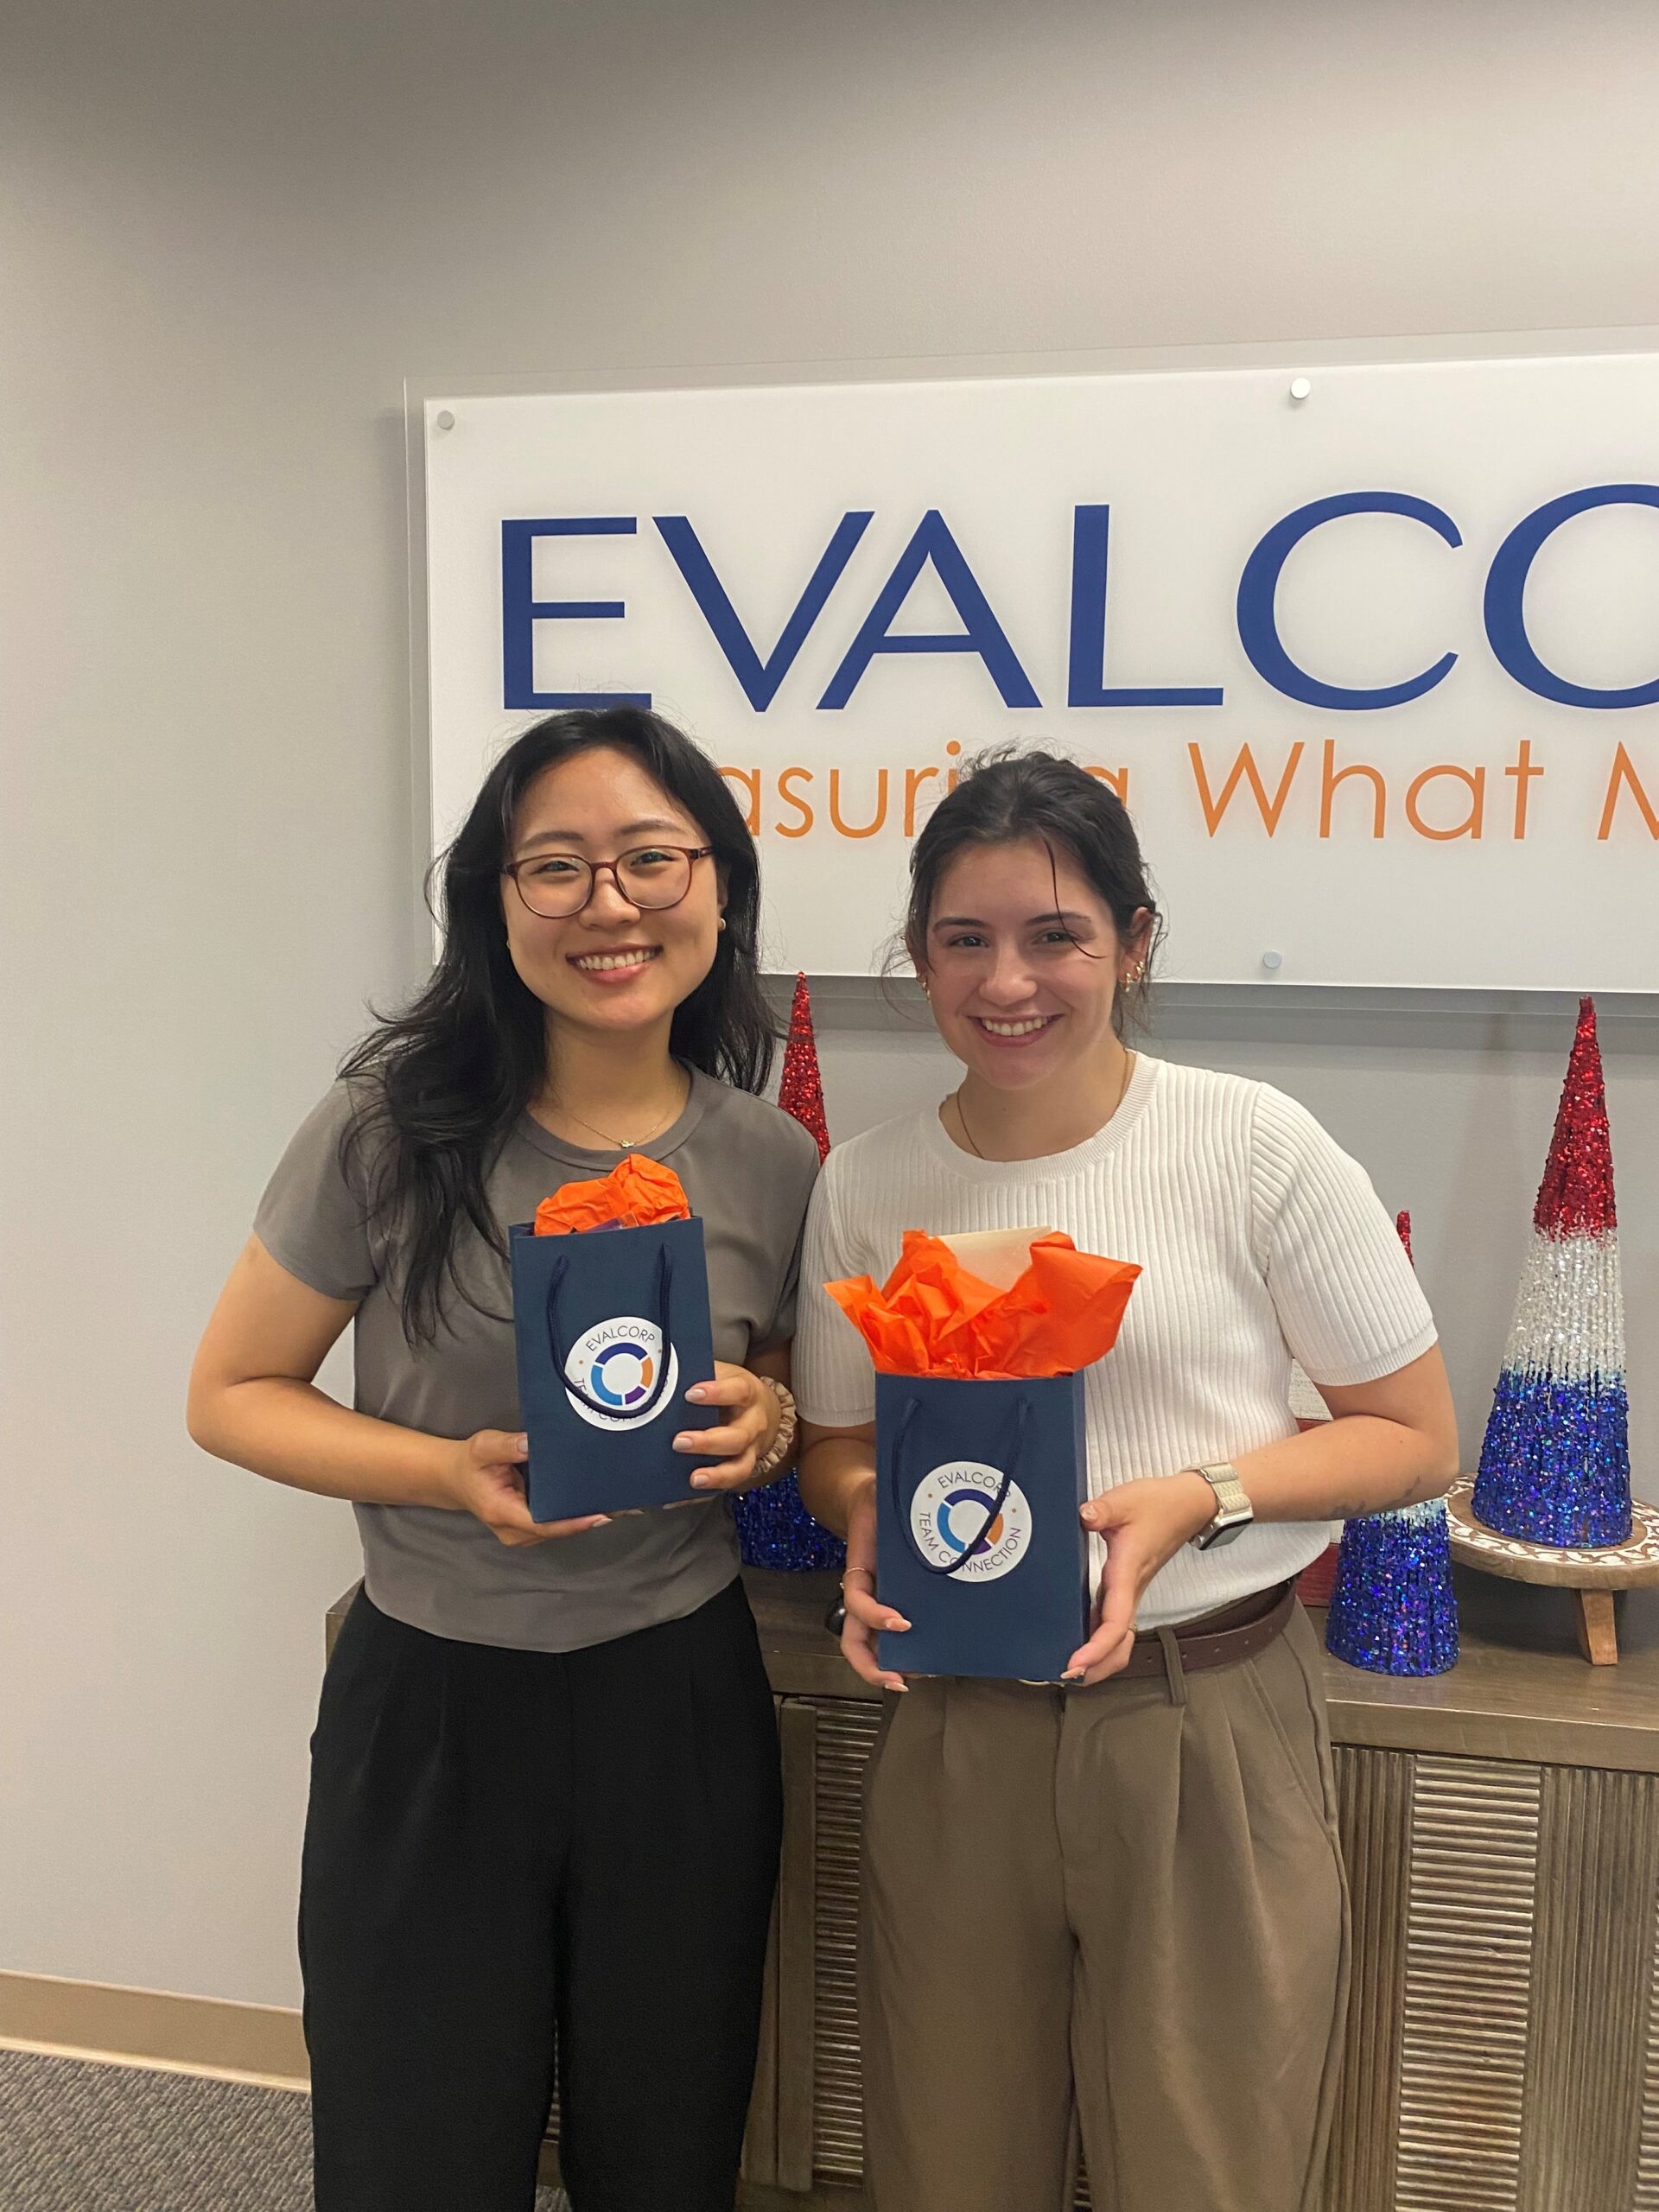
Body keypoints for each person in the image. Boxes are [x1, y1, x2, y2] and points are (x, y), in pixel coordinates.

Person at [794, 747, 1458, 2212]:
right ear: (918, 955)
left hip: (1200, 1718)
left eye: (1058, 936)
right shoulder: (869, 1180)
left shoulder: (1250, 1146)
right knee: (949, 2159)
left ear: (1135, 944)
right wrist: (858, 1525)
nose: (1009, 980)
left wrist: (1201, 1496)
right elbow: (840, 1439)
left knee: (1204, 2161)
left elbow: (1414, 1436)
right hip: (959, 1721)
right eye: (964, 940)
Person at [188, 706, 820, 2212]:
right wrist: (440, 1472)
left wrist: (773, 1424)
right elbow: (231, 1392)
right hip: (434, 1704)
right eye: (557, 867)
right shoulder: (389, 1131)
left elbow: (786, 1385)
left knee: (666, 2149)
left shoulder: (774, 1161)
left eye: (652, 859)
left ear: (718, 889)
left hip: (677, 1702)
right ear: (495, 903)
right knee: (418, 2150)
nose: (611, 904)